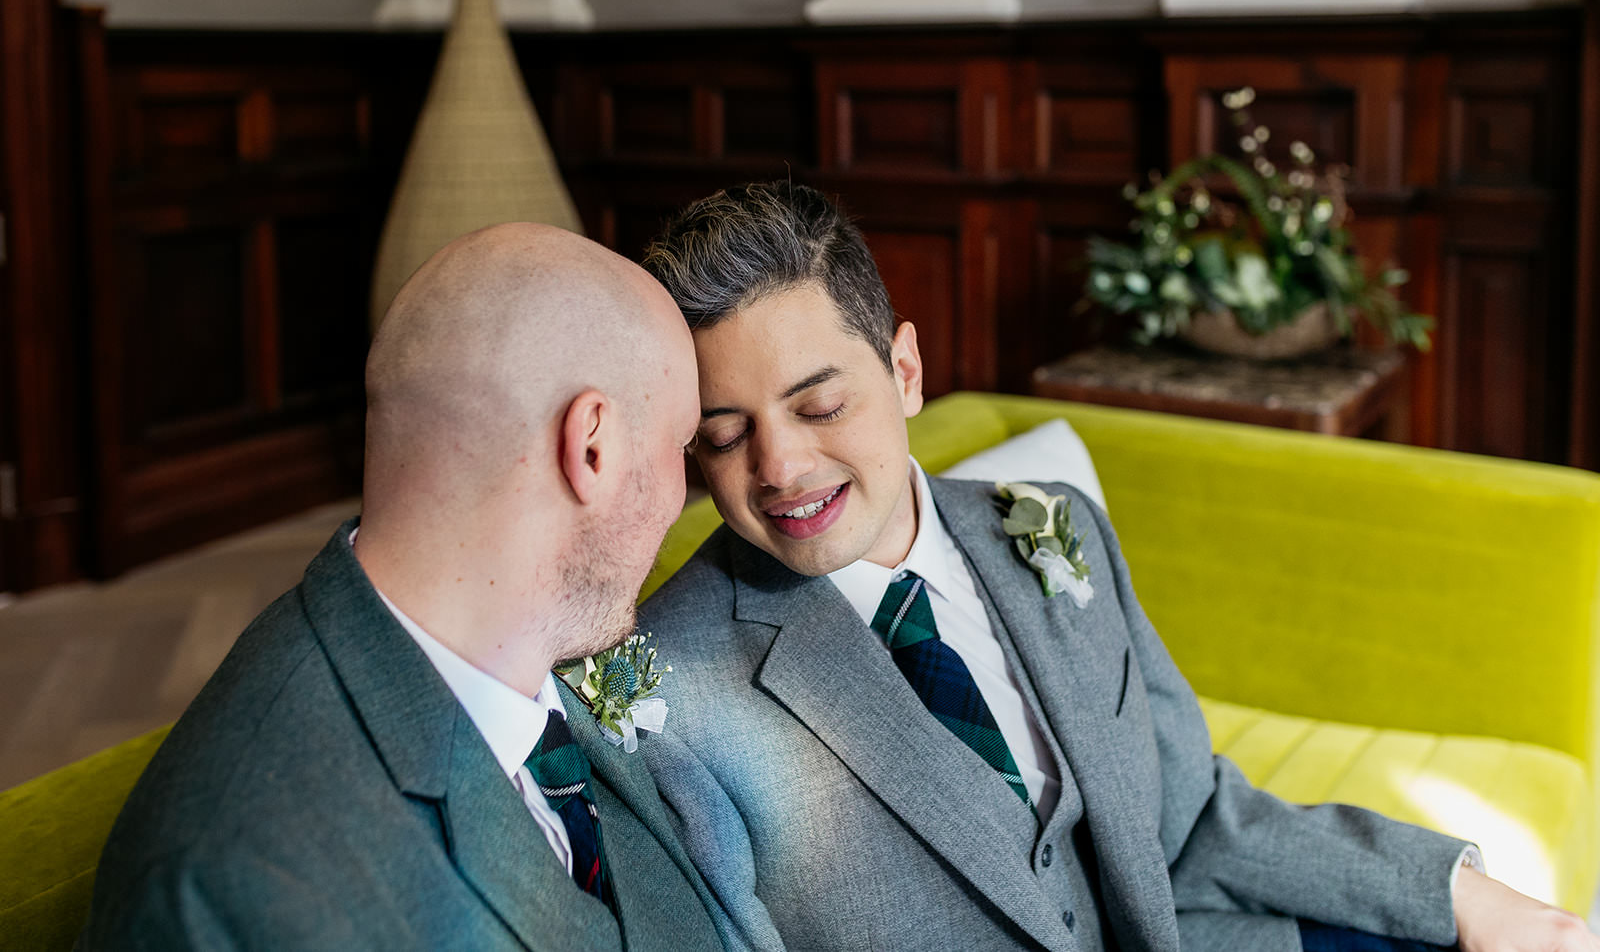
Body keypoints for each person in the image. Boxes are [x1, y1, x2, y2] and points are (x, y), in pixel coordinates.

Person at [636, 181, 1598, 952]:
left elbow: (1191, 814)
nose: (779, 469)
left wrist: (1464, 895)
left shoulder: (1056, 527)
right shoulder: (665, 690)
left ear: (906, 372)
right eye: (724, 437)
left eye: (819, 407)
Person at [81, 223, 731, 951]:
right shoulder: (235, 894)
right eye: (681, 447)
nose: (684, 493)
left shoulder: (532, 641)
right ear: (591, 447)